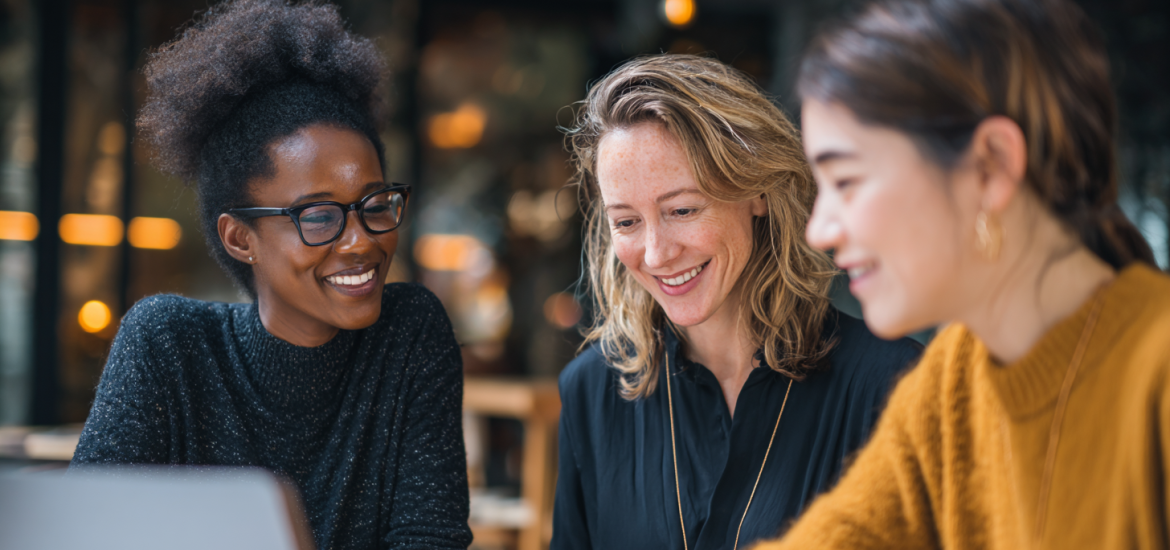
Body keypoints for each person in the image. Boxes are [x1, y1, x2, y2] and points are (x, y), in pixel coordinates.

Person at [750, 0, 1170, 548]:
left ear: (990, 165)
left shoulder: (1155, 371)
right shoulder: (953, 378)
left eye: (846, 181)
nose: (820, 230)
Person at [70, 1, 473, 548]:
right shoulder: (168, 345)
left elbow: (430, 539)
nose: (361, 241)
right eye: (318, 216)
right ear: (241, 238)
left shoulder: (409, 335)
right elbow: (83, 531)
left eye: (374, 203)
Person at [552, 54, 922, 550]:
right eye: (626, 221)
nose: (657, 253)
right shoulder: (590, 392)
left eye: (682, 209)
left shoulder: (892, 387)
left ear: (758, 192)